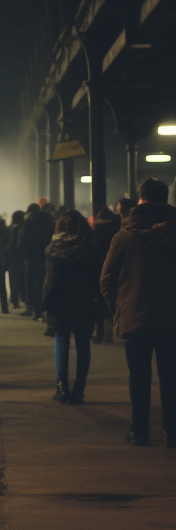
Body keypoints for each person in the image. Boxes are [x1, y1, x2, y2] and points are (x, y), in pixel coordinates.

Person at [100, 177, 176, 447]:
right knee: (171, 377)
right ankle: (172, 432)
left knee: (139, 376)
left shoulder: (125, 236)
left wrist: (120, 310)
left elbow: (106, 280)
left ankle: (140, 431)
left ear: (140, 198)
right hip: (172, 320)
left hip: (136, 318)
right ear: (166, 197)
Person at [42, 211, 102, 404]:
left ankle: (62, 388)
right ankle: (79, 389)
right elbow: (96, 278)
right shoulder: (89, 248)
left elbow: (49, 281)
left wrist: (46, 305)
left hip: (61, 302)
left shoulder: (53, 249)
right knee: (83, 345)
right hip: (84, 301)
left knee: (62, 342)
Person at [91, 205, 120, 343]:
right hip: (114, 268)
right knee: (109, 301)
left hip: (97, 268)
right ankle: (109, 333)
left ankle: (99, 333)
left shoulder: (96, 232)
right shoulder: (117, 230)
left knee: (98, 300)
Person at [21, 202, 53, 320]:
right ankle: (44, 311)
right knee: (43, 283)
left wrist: (25, 253)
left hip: (31, 258)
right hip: (45, 256)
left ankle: (35, 310)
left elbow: (24, 240)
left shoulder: (29, 222)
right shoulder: (49, 221)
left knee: (31, 284)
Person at [7, 210, 26, 309]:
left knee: (13, 279)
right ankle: (22, 298)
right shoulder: (24, 228)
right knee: (22, 279)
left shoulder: (9, 228)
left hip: (11, 257)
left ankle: (14, 300)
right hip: (22, 257)